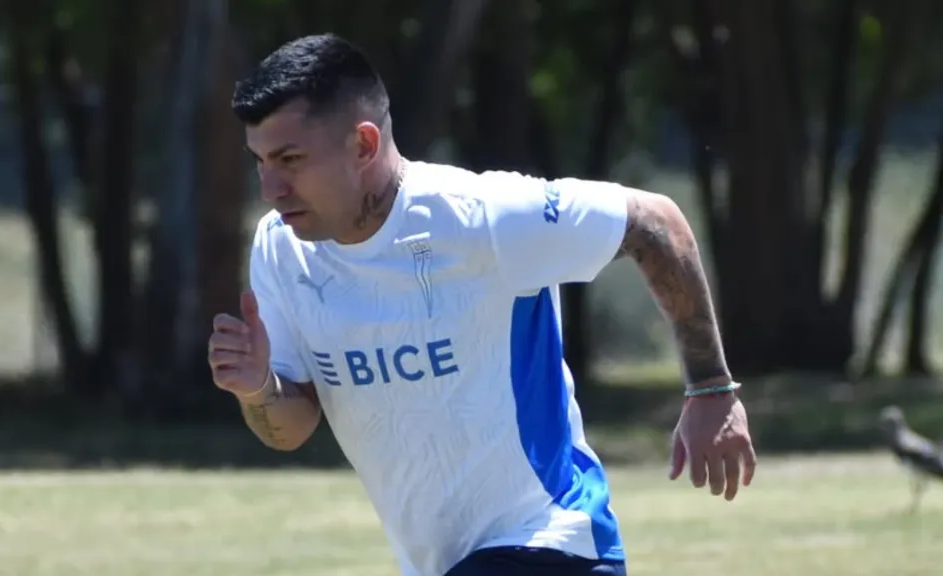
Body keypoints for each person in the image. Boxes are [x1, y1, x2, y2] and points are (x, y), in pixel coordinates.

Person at [208, 33, 757, 576]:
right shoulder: (282, 251)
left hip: (553, 545)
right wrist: (257, 388)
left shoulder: (483, 218)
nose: (271, 188)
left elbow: (656, 224)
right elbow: (291, 427)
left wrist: (710, 387)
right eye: (259, 161)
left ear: (364, 145)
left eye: (290, 159)